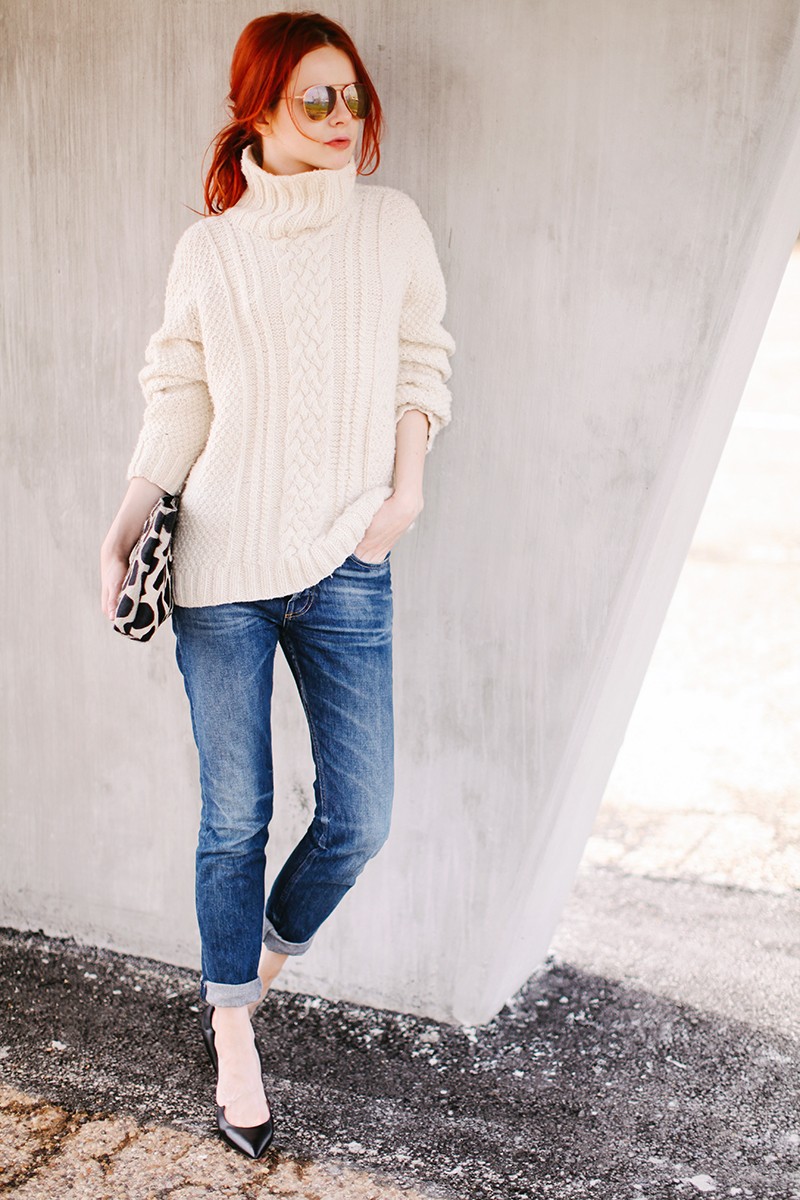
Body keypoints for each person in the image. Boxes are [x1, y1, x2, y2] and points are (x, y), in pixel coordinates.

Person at [100, 10, 455, 1160]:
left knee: (360, 818)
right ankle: (231, 1029)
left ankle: (255, 963)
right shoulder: (210, 250)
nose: (342, 116)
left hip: (348, 558)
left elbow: (419, 360)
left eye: (352, 95)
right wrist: (127, 522)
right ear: (257, 108)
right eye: (316, 97)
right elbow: (180, 394)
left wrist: (401, 497)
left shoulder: (391, 225)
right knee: (234, 817)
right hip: (220, 569)